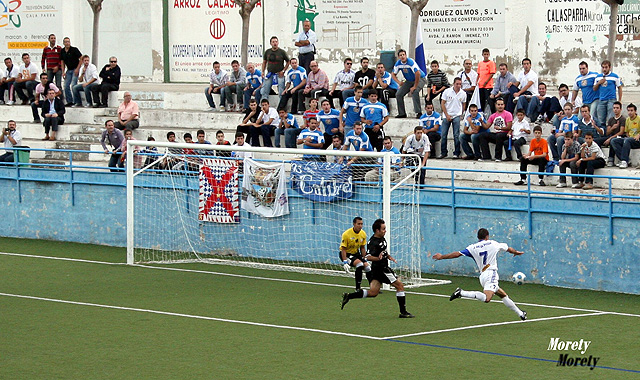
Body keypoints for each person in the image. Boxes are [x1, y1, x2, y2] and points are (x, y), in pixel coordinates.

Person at [432, 228, 527, 321]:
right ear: (487, 236)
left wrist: (442, 257)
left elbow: (457, 254)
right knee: (487, 298)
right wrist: (515, 252)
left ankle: (521, 313)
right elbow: (508, 248)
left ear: (478, 237)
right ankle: (461, 292)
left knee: (502, 294)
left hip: (483, 276)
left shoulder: (472, 247)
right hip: (491, 273)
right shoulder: (493, 243)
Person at [341, 218, 414, 318]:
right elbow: (368, 256)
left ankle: (349, 296)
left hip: (377, 269)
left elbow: (383, 251)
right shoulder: (373, 242)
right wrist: (378, 258)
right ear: (377, 230)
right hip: (382, 269)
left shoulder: (382, 238)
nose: (385, 231)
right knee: (400, 286)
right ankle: (403, 312)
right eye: (383, 229)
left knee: (373, 292)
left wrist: (388, 256)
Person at [338, 217, 371, 291]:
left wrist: (365, 258)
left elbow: (362, 247)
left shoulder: (363, 234)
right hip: (346, 254)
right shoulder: (346, 234)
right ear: (354, 224)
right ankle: (358, 288)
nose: (360, 226)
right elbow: (343, 249)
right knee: (360, 264)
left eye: (361, 224)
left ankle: (373, 287)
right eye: (358, 224)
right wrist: (345, 262)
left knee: (367, 267)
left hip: (356, 253)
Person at [391, 49, 427, 119]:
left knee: (415, 91)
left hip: (420, 79)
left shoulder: (410, 62)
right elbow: (393, 74)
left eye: (403, 55)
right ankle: (402, 113)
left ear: (406, 55)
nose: (402, 56)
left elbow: (418, 73)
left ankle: (418, 112)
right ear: (398, 57)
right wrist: (399, 82)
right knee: (399, 94)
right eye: (401, 55)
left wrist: (415, 86)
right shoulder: (398, 64)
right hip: (409, 81)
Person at [438, 77, 466, 159]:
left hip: (456, 115)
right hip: (447, 115)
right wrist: (446, 115)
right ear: (453, 84)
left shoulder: (463, 93)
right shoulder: (447, 91)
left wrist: (460, 113)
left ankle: (456, 152)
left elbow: (464, 104)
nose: (458, 85)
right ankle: (443, 152)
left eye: (460, 84)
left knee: (456, 135)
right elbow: (443, 103)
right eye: (457, 84)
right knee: (443, 135)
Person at [594, 60, 623, 129]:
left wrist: (619, 100)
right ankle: (603, 133)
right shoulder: (598, 77)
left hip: (611, 99)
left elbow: (619, 87)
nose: (604, 69)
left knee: (611, 118)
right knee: (601, 119)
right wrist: (599, 83)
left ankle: (611, 133)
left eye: (606, 67)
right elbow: (594, 88)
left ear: (609, 67)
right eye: (603, 67)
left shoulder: (615, 76)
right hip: (601, 100)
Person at [610, 103, 639, 169]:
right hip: (630, 139)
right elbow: (626, 132)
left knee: (627, 140)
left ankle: (624, 160)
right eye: (628, 110)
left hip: (637, 140)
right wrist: (628, 136)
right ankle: (626, 160)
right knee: (614, 141)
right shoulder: (628, 120)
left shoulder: (639, 119)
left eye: (631, 110)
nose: (630, 112)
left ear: (635, 111)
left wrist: (638, 135)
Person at [261, 36, 290, 101]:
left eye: (276, 42)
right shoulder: (267, 52)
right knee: (265, 90)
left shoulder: (282, 52)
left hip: (279, 74)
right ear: (270, 43)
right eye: (273, 42)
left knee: (281, 90)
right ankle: (264, 106)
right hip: (270, 73)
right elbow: (264, 62)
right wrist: (263, 71)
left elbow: (288, 61)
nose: (275, 43)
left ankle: (281, 107)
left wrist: (283, 71)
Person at [598, 101, 626, 167]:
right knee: (597, 141)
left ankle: (611, 159)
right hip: (611, 136)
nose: (615, 110)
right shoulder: (611, 119)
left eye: (617, 108)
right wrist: (613, 128)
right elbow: (607, 132)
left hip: (619, 137)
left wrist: (610, 138)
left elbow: (621, 132)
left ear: (620, 109)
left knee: (612, 140)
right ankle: (600, 157)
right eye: (614, 108)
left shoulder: (623, 119)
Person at [60, 37, 82, 106]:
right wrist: (63, 71)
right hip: (68, 70)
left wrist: (78, 69)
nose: (67, 43)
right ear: (63, 43)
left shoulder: (74, 50)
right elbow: (62, 61)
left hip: (75, 69)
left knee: (73, 85)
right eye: (66, 42)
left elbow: (81, 58)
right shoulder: (62, 51)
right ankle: (69, 101)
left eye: (68, 42)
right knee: (66, 86)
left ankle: (77, 101)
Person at [477, 48, 496, 112]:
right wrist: (477, 82)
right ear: (482, 54)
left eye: (487, 54)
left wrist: (486, 82)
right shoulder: (480, 63)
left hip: (488, 85)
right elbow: (479, 74)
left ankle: (492, 113)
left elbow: (492, 73)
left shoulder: (491, 63)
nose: (486, 56)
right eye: (484, 54)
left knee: (489, 100)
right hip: (481, 85)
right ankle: (482, 113)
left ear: (489, 55)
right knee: (481, 100)